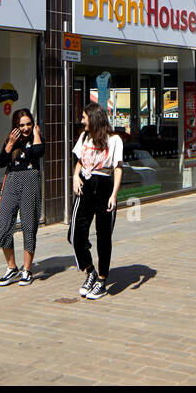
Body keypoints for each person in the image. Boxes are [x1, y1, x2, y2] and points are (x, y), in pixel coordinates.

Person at [69, 102, 124, 300]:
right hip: (85, 184)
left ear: (94, 118)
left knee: (103, 236)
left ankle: (101, 279)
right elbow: (79, 161)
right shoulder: (84, 136)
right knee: (75, 234)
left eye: (84, 117)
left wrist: (114, 195)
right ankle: (89, 270)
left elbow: (118, 168)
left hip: (105, 186)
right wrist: (75, 177)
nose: (82, 120)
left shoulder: (114, 139)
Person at [0, 107, 44, 286]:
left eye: (29, 124)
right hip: (12, 181)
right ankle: (12, 267)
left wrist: (36, 133)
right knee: (4, 223)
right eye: (22, 125)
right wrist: (9, 145)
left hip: (30, 181)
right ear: (16, 125)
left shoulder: (36, 138)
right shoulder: (11, 140)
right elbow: (0, 162)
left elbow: (38, 153)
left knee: (29, 225)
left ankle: (27, 270)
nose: (26, 128)